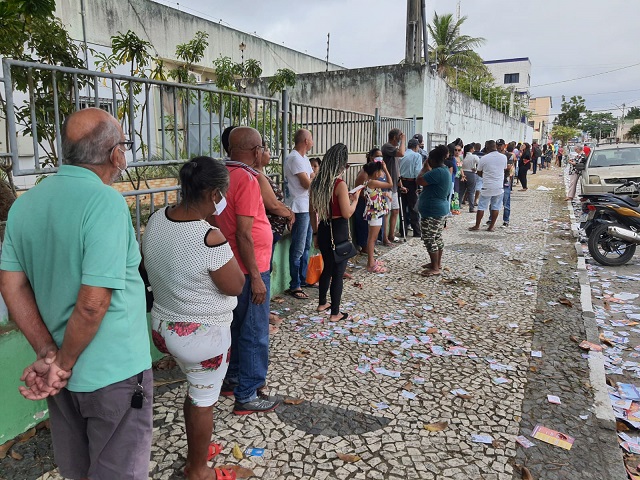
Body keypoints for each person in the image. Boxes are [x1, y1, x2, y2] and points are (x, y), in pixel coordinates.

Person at [0, 108, 153, 479]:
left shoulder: (26, 205)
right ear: (115, 154)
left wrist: (48, 353)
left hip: (62, 373)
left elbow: (11, 285)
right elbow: (92, 304)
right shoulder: (105, 202)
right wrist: (63, 364)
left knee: (79, 470)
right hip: (112, 372)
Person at [142, 157, 244, 480]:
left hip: (161, 327)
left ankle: (197, 449)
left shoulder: (158, 219)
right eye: (223, 194)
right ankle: (197, 470)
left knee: (196, 389)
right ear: (214, 194)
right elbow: (236, 285)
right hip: (201, 339)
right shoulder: (208, 238)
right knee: (203, 400)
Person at [215, 126, 280, 415]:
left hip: (228, 265)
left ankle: (233, 380)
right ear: (256, 152)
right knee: (254, 331)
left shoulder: (219, 175)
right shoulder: (247, 179)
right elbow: (244, 233)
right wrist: (256, 276)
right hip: (247, 268)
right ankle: (248, 393)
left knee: (238, 327)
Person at [310, 143, 362, 321]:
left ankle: (322, 302)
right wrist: (354, 200)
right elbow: (347, 213)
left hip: (323, 229)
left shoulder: (317, 183)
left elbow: (312, 211)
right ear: (342, 164)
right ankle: (335, 313)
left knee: (327, 268)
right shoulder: (339, 184)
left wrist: (315, 233)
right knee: (338, 273)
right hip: (338, 231)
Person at [255, 143, 295, 329]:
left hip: (271, 233)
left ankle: (264, 311)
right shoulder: (256, 176)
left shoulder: (262, 175)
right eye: (267, 150)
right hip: (265, 233)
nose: (270, 153)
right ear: (258, 153)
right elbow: (272, 204)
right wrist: (288, 213)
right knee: (261, 275)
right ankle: (261, 315)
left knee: (266, 272)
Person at [284, 129, 314, 299]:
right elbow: (306, 183)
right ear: (305, 140)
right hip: (299, 207)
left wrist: (312, 178)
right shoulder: (294, 158)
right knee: (298, 247)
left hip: (306, 205)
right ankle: (294, 284)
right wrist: (312, 179)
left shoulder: (304, 158)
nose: (312, 142)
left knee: (306, 245)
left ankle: (302, 279)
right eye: (311, 139)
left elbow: (311, 176)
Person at [417, 145, 452, 276]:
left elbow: (419, 180)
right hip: (439, 208)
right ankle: (436, 263)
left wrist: (424, 168)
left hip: (433, 210)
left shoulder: (437, 172)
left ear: (432, 159)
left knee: (429, 238)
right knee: (436, 237)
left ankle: (435, 268)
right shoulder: (444, 171)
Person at [469, 140, 507, 232]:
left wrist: (485, 176)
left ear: (486, 147)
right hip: (498, 186)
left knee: (481, 206)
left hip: (486, 185)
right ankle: (491, 226)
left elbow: (479, 171)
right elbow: (504, 169)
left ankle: (477, 225)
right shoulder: (503, 157)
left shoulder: (484, 158)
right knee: (496, 207)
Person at [362, 160, 392, 272]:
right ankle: (370, 264)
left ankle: (372, 261)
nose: (382, 173)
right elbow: (390, 184)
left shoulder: (370, 182)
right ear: (376, 173)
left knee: (372, 238)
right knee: (372, 239)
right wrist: (386, 169)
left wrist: (384, 194)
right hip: (375, 213)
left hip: (375, 212)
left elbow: (373, 194)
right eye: (380, 171)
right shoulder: (372, 182)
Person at [381, 128, 406, 245]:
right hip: (387, 186)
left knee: (395, 210)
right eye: (399, 137)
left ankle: (391, 235)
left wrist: (400, 183)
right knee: (386, 212)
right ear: (395, 137)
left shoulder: (393, 149)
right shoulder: (387, 147)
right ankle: (384, 237)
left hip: (394, 185)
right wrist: (403, 140)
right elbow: (402, 153)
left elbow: (397, 168)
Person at [353, 148, 380, 254]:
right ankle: (364, 246)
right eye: (377, 156)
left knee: (371, 225)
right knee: (363, 224)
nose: (380, 158)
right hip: (364, 201)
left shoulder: (376, 171)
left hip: (372, 201)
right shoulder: (365, 172)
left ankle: (370, 246)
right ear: (371, 157)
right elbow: (358, 187)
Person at [398, 138, 423, 236]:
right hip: (412, 183)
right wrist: (419, 185)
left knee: (402, 207)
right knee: (413, 208)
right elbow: (418, 171)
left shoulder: (402, 155)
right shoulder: (417, 156)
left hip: (401, 182)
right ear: (416, 147)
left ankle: (402, 231)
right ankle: (416, 231)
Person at [461, 143, 478, 212]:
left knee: (461, 191)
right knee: (471, 191)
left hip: (462, 173)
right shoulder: (474, 156)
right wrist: (476, 169)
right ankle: (471, 207)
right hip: (471, 173)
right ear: (471, 149)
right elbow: (479, 163)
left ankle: (457, 206)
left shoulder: (462, 157)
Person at [502, 142, 516, 227]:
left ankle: (506, 220)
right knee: (493, 201)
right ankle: (491, 218)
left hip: (506, 180)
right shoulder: (497, 155)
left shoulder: (509, 155)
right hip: (498, 180)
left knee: (506, 201)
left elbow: (509, 166)